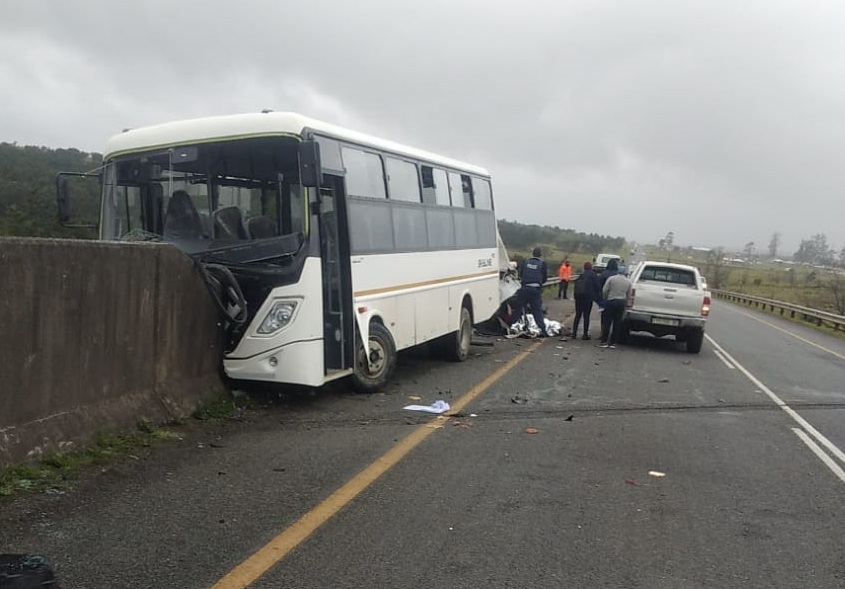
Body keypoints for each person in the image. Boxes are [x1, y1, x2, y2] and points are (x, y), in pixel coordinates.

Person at [509, 246, 549, 336]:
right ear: (540, 255)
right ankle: (543, 329)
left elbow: (520, 274)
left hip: (524, 289)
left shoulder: (526, 262)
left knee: (518, 309)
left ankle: (509, 325)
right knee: (537, 311)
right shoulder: (542, 264)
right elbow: (545, 278)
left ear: (533, 254)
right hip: (535, 290)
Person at [599, 262, 632, 348]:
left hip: (611, 301)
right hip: (621, 302)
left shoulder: (611, 279)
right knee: (617, 323)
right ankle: (613, 342)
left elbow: (605, 290)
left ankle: (604, 341)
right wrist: (626, 303)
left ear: (618, 271)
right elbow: (629, 294)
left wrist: (605, 298)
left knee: (607, 321)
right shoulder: (628, 282)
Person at [571, 261, 600, 340]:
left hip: (579, 297)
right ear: (591, 267)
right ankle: (585, 334)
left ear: (584, 267)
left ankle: (574, 333)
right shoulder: (593, 275)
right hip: (588, 297)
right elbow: (597, 286)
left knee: (578, 315)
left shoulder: (581, 275)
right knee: (586, 315)